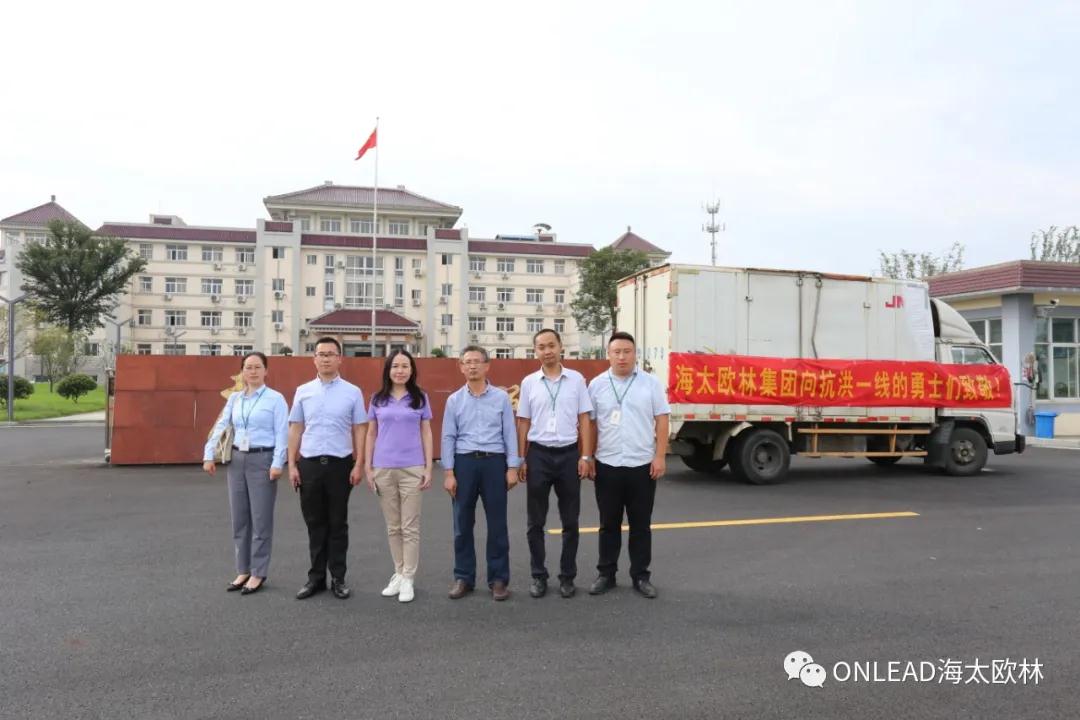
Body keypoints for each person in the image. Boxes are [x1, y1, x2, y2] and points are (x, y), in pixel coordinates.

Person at [585, 331, 670, 599]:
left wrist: (660, 456)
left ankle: (640, 576)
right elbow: (589, 424)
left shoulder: (650, 383)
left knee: (640, 524)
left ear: (635, 354)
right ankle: (606, 574)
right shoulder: (596, 385)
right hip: (607, 464)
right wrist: (588, 457)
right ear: (608, 355)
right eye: (616, 351)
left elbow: (662, 420)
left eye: (627, 351)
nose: (622, 356)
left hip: (641, 465)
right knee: (607, 524)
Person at [203, 351, 289, 595]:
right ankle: (243, 570)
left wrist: (277, 463)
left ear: (266, 371)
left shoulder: (275, 399)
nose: (252, 371)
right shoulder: (235, 399)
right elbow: (222, 425)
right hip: (237, 459)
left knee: (261, 519)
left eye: (257, 367)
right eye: (248, 367)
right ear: (242, 371)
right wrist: (208, 454)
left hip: (263, 459)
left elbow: (282, 433)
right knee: (240, 518)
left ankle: (258, 573)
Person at [288, 337, 367, 600]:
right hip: (309, 464)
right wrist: (292, 465)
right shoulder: (303, 391)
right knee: (314, 523)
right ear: (314, 359)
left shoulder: (352, 392)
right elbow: (296, 428)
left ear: (340, 358)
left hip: (340, 465)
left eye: (331, 354)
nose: (325, 358)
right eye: (321, 354)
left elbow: (359, 429)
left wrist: (359, 464)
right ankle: (316, 578)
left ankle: (339, 578)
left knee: (337, 524)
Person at [516, 329, 593, 599]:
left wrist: (586, 456)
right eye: (541, 346)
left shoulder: (576, 380)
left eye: (551, 345)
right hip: (538, 455)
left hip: (569, 455)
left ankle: (567, 576)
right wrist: (521, 457)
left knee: (570, 520)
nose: (546, 350)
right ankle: (538, 576)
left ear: (561, 347)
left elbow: (584, 418)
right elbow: (523, 421)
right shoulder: (529, 383)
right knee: (535, 521)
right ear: (535, 350)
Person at [441, 345, 522, 601]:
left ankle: (498, 580)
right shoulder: (454, 400)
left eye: (477, 361)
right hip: (464, 463)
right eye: (467, 362)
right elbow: (448, 437)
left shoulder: (500, 398)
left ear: (487, 366)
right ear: (461, 367)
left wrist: (512, 467)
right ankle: (463, 577)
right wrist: (449, 472)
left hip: (494, 463)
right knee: (462, 524)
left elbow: (510, 433)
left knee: (497, 524)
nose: (472, 366)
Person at [363, 349, 434, 603]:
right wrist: (368, 468)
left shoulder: (420, 398)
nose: (400, 370)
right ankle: (399, 572)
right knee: (393, 527)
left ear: (412, 370)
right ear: (388, 370)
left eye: (405, 366)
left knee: (410, 527)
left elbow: (426, 433)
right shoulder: (377, 399)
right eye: (396, 366)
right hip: (383, 468)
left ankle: (409, 578)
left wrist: (427, 467)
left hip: (412, 468)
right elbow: (371, 434)